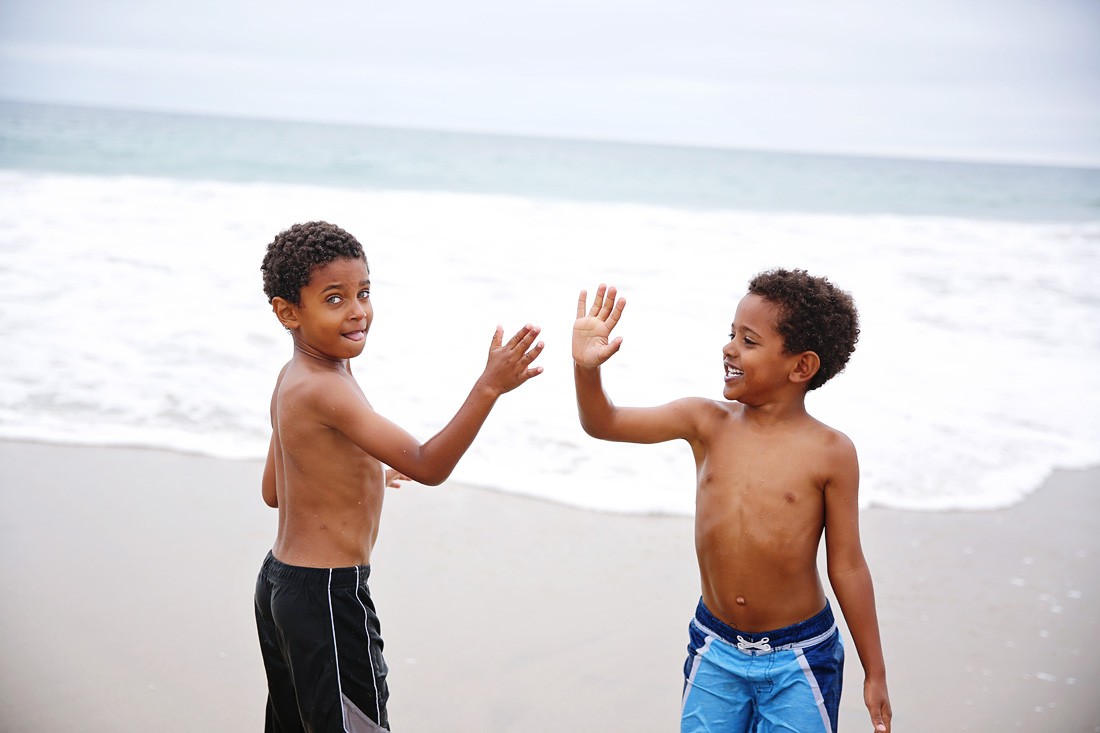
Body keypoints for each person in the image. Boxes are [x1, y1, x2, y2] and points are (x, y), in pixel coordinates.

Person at [254, 221, 544, 732]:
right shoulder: (329, 388)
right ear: (288, 312)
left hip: (281, 584)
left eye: (363, 292)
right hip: (327, 598)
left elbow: (275, 490)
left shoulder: (293, 377)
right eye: (335, 298)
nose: (357, 310)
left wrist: (358, 471)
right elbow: (429, 466)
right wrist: (488, 388)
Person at [572, 270, 890, 733]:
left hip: (799, 658)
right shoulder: (705, 422)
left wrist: (874, 671)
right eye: (731, 334)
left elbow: (847, 565)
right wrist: (587, 368)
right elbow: (604, 423)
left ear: (801, 367)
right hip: (715, 649)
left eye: (749, 340)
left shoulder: (831, 453)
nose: (729, 348)